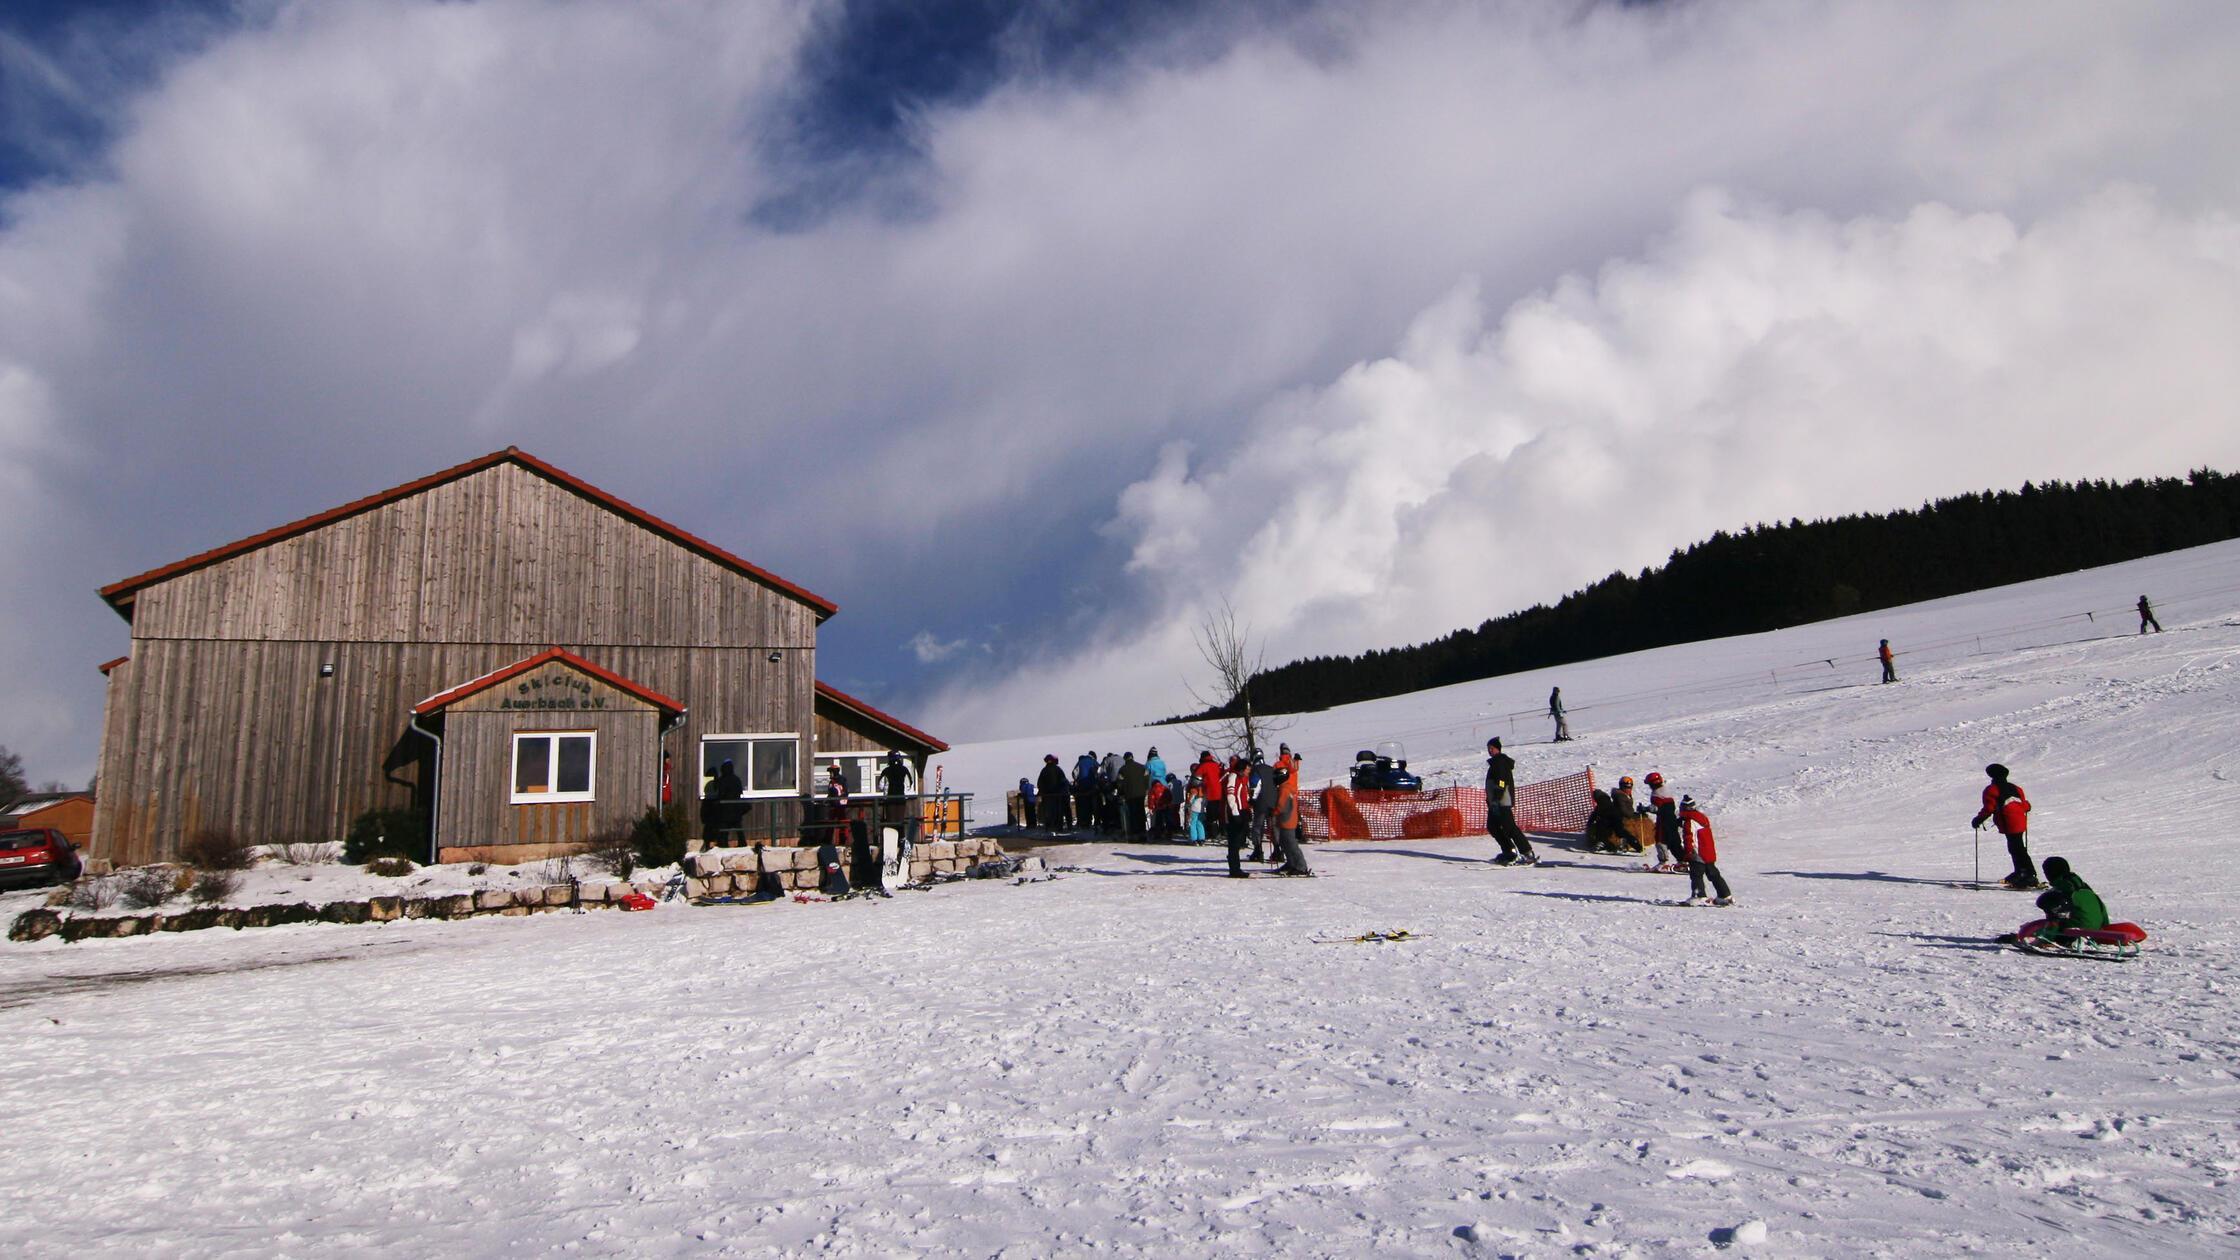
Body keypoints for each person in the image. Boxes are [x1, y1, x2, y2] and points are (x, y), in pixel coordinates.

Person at [1971, 762, 2038, 888]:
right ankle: (2023, 872)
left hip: (2008, 821)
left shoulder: (1992, 789)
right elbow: (2024, 804)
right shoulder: (2016, 788)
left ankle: (2026, 874)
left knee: (2016, 847)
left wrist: (1978, 820)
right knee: (2017, 846)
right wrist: (2027, 806)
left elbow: (1989, 808)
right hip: (2020, 820)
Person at [1483, 737, 1536, 865]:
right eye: (1488, 748)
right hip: (1495, 802)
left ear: (1498, 749)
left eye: (1492, 748)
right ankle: (1509, 851)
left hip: (1502, 801)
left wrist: (1497, 797)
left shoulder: (1500, 761)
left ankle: (1527, 852)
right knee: (1493, 826)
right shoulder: (1495, 762)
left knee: (1509, 827)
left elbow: (1501, 781)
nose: (1490, 751)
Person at [2031, 856, 2108, 943]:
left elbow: (2055, 919)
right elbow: (2101, 908)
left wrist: (2047, 939)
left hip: (2076, 934)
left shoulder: (2062, 891)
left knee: (2046, 904)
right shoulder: (2083, 887)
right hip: (2097, 931)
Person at [1678, 795, 1732, 906]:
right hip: (1708, 851)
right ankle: (1725, 895)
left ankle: (1699, 895)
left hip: (1698, 853)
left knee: (1696, 874)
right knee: (1713, 874)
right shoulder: (1701, 817)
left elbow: (1689, 837)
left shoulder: (1690, 821)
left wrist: (1689, 852)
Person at [1270, 765, 1313, 876]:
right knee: (1285, 843)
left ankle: (1301, 866)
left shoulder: (1284, 789)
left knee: (1291, 844)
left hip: (1286, 820)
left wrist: (1273, 812)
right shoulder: (1287, 787)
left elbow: (1281, 805)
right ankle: (1291, 863)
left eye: (1275, 776)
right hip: (1288, 819)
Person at [1645, 771, 1683, 868]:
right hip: (1672, 820)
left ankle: (1663, 862)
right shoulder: (1665, 791)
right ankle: (1682, 860)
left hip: (1663, 821)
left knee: (1660, 840)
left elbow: (1657, 808)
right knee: (1674, 841)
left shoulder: (1657, 794)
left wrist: (1645, 809)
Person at [1118, 751, 1150, 836]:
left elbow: (1120, 783)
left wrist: (1121, 793)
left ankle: (1134, 832)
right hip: (1141, 794)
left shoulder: (1122, 769)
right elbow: (1147, 778)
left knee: (1132, 813)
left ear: (1125, 759)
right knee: (1141, 811)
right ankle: (1142, 830)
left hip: (1129, 794)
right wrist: (1146, 789)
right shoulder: (1141, 767)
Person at [1036, 754, 1071, 831]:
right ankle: (1058, 826)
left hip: (1048, 796)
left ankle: (1050, 826)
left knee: (1049, 811)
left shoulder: (1044, 770)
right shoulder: (1058, 769)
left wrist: (1043, 791)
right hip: (1057, 795)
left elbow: (1040, 783)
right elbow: (1063, 781)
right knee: (1058, 811)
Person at [1185, 776, 1207, 844]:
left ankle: (1193, 838)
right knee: (1200, 823)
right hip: (1201, 810)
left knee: (1193, 823)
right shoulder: (1203, 790)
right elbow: (1205, 801)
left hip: (1194, 809)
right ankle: (1201, 838)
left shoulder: (1193, 790)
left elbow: (1190, 801)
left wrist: (1188, 804)